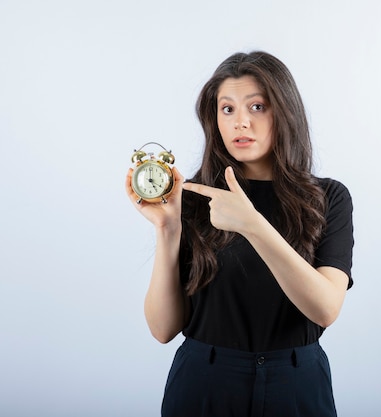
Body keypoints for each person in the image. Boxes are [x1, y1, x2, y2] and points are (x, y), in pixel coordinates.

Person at [125, 51, 354, 417]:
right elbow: (163, 329)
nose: (240, 122)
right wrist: (168, 229)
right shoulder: (194, 196)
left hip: (296, 384)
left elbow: (326, 308)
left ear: (285, 112)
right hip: (204, 382)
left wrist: (253, 224)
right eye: (227, 109)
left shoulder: (328, 198)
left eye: (257, 107)